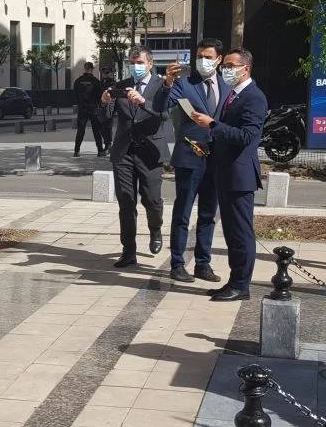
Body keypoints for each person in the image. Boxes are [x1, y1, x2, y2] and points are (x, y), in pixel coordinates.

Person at [190, 48, 267, 302]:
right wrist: (208, 146)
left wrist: (212, 124)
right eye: (225, 66)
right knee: (232, 233)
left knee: (240, 233)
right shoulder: (232, 95)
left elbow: (247, 137)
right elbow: (227, 134)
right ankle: (234, 281)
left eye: (232, 66)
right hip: (223, 172)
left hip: (239, 175)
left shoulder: (254, 97)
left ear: (246, 69)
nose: (226, 70)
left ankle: (241, 285)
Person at [163, 39, 227, 283]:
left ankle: (203, 264)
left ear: (219, 60)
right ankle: (177, 264)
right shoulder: (185, 84)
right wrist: (168, 82)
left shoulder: (227, 85)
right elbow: (163, 106)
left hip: (215, 159)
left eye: (208, 57)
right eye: (200, 56)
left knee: (208, 214)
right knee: (183, 212)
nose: (203, 60)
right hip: (189, 157)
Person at [101, 46, 170, 268]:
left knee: (151, 199)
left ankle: (155, 229)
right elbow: (106, 116)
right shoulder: (120, 86)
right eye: (132, 62)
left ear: (150, 64)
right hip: (123, 152)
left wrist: (142, 102)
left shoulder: (162, 86)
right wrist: (105, 101)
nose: (135, 66)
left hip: (150, 151)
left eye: (139, 62)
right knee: (126, 202)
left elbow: (164, 114)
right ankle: (128, 251)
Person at [73, 61, 105, 158]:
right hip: (93, 108)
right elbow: (100, 95)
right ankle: (100, 151)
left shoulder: (78, 81)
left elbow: (74, 94)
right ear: (92, 69)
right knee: (96, 130)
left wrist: (80, 102)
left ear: (84, 69)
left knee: (80, 130)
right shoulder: (96, 81)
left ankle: (76, 151)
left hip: (82, 108)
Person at [97, 67, 116, 151]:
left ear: (111, 73)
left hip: (109, 106)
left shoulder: (112, 83)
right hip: (101, 106)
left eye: (107, 72)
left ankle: (108, 144)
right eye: (104, 72)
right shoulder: (100, 83)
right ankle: (107, 143)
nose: (105, 74)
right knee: (101, 126)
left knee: (107, 126)